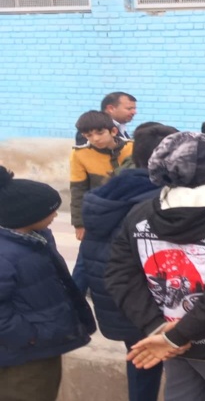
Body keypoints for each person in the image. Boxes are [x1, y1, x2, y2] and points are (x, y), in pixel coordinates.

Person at [105, 132, 205, 401]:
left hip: (166, 338)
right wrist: (175, 337)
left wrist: (161, 330)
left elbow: (119, 276)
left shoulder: (139, 214)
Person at [80, 124, 179, 401]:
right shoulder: (160, 201)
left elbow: (87, 254)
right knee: (180, 368)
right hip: (153, 304)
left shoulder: (109, 192)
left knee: (141, 363)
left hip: (119, 300)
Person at [0, 166, 96, 401]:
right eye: (50, 211)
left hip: (40, 346)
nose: (55, 215)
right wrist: (28, 335)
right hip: (23, 355)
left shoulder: (34, 239)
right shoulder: (7, 254)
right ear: (27, 216)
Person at [70, 110, 134, 293]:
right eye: (88, 135)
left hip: (128, 213)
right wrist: (79, 223)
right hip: (98, 216)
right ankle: (74, 296)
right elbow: (78, 190)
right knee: (86, 259)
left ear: (113, 131)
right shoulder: (80, 154)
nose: (95, 139)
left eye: (99, 133)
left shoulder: (132, 148)